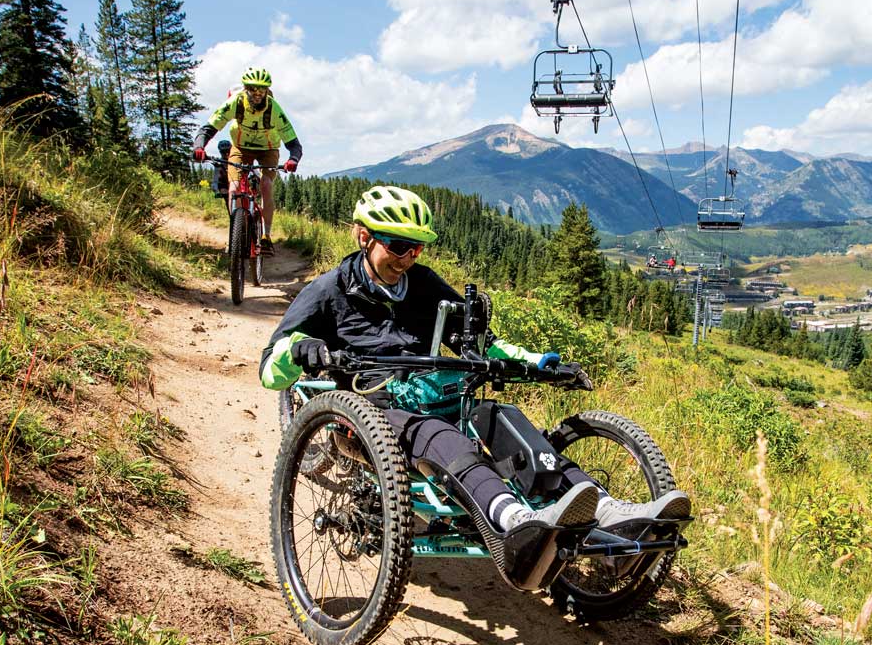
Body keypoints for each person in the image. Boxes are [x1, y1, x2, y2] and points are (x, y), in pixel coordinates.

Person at [259, 185, 689, 559]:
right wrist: (304, 350)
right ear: (363, 236)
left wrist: (533, 361)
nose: (407, 258)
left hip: (434, 396)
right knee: (440, 435)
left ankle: (608, 510)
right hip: (365, 412)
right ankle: (515, 520)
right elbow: (270, 367)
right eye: (397, 245)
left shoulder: (425, 285)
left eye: (417, 248)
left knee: (503, 419)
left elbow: (477, 340)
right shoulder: (326, 292)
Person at [193, 68, 302, 255]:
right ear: (245, 89)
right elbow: (210, 126)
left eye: (262, 90)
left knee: (266, 185)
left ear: (267, 91)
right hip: (241, 147)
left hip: (268, 149)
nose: (257, 94)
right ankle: (235, 231)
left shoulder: (274, 108)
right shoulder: (235, 102)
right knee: (234, 188)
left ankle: (266, 237)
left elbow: (293, 142)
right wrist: (199, 147)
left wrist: (293, 159)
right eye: (253, 89)